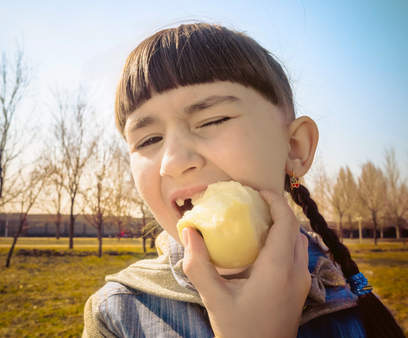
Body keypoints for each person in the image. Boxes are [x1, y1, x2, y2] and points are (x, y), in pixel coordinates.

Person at [83, 23, 405, 338]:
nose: (174, 162)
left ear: (294, 147)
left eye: (212, 120)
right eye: (148, 140)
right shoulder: (118, 317)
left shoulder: (351, 301)